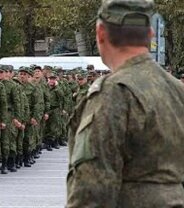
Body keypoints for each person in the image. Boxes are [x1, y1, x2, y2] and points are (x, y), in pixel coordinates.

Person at [67, 0, 184, 207]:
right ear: (150, 35)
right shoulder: (177, 90)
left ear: (101, 34)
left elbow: (92, 191)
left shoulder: (114, 93)